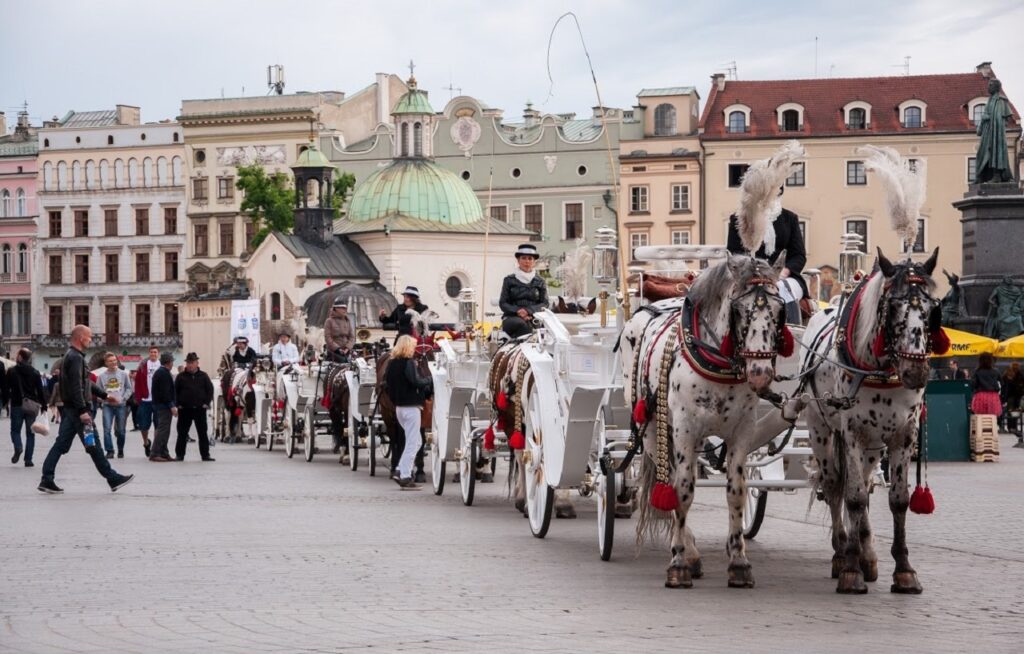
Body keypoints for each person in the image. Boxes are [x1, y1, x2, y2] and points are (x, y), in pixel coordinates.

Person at [37, 325, 134, 494]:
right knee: (93, 444)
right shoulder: (75, 358)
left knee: (61, 445)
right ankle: (112, 478)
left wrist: (104, 395)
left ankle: (47, 478)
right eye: (89, 337)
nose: (91, 339)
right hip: (78, 410)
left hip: (71, 410)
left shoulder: (74, 356)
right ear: (81, 338)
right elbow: (76, 386)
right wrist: (83, 410)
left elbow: (86, 383)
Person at [727, 186, 808, 324]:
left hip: (783, 276)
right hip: (748, 276)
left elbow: (799, 255)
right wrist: (749, 273)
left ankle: (792, 331)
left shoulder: (790, 218)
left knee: (783, 290)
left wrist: (785, 271)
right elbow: (734, 254)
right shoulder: (739, 219)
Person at [384, 335, 433, 489]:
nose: (414, 349)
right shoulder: (409, 363)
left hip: (399, 408)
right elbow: (415, 381)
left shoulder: (391, 364)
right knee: (413, 442)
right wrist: (430, 380)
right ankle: (404, 475)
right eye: (412, 346)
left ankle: (399, 469)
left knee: (416, 441)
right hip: (411, 407)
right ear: (407, 347)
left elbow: (388, 385)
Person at [499, 244, 549, 338]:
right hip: (511, 317)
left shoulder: (540, 281)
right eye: (524, 258)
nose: (527, 261)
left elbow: (545, 303)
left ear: (534, 261)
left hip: (533, 317)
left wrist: (528, 311)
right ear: (518, 260)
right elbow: (503, 303)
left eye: (530, 258)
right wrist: (518, 311)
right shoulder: (509, 280)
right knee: (522, 325)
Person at [7, 348, 45, 467]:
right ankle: (28, 460)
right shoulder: (35, 372)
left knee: (15, 431)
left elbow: (6, 387)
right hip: (31, 406)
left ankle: (18, 447)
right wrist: (44, 405)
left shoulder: (11, 371)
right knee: (30, 434)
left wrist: (6, 399)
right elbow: (40, 390)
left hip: (17, 404)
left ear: (20, 357)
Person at [174, 352, 215, 462]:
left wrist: (206, 403)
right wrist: (178, 404)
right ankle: (180, 455)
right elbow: (175, 391)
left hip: (199, 409)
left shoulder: (204, 376)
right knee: (182, 434)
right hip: (185, 409)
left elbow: (210, 390)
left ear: (197, 363)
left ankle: (205, 455)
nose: (190, 365)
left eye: (192, 363)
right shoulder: (180, 377)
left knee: (202, 433)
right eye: (188, 363)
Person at [97, 352, 133, 459]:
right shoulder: (101, 377)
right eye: (111, 361)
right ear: (106, 363)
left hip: (121, 405)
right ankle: (110, 451)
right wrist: (104, 399)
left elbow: (129, 388)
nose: (113, 362)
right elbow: (98, 392)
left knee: (121, 430)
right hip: (107, 406)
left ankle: (120, 449)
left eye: (114, 360)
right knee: (107, 429)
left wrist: (123, 398)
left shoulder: (123, 374)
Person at [133, 346, 162, 457]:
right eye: (151, 352)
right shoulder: (143, 366)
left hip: (158, 400)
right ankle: (146, 443)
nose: (153, 354)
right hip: (145, 400)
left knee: (158, 425)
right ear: (149, 353)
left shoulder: (162, 366)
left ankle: (155, 447)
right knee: (144, 425)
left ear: (158, 353)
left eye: (155, 352)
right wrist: (138, 398)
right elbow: (138, 382)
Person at [148, 352, 177, 462]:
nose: (172, 363)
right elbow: (165, 392)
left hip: (161, 405)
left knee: (165, 430)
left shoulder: (162, 372)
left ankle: (164, 452)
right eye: (172, 361)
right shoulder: (163, 373)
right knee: (162, 430)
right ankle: (155, 453)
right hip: (163, 406)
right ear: (169, 362)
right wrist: (172, 406)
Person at [970, 353, 1002, 417]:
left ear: (980, 361)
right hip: (993, 396)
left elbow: (973, 384)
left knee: (980, 417)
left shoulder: (977, 371)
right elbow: (1001, 383)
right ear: (991, 361)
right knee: (992, 418)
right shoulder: (996, 371)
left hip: (980, 396)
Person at [1000, 362, 1024, 433]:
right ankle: (1012, 427)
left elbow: (1004, 384)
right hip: (1013, 396)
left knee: (1012, 412)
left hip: (1013, 396)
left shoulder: (1011, 374)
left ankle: (1012, 427)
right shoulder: (1012, 374)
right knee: (1013, 412)